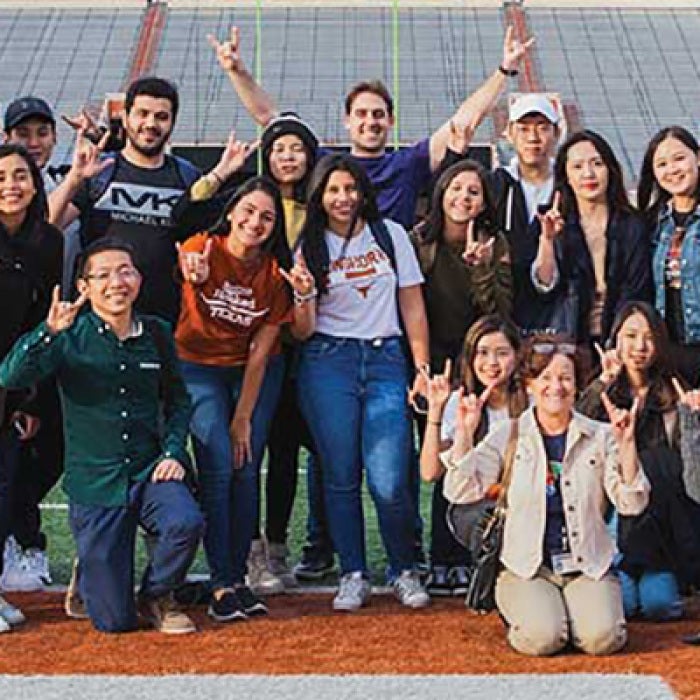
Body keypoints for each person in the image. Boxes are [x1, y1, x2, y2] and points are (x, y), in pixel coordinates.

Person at [0, 237, 204, 634]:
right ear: (84, 286)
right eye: (104, 275)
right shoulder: (67, 335)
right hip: (96, 482)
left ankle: (156, 595)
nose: (117, 283)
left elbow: (179, 401)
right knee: (114, 622)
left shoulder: (157, 332)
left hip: (148, 469)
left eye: (125, 271)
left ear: (139, 279)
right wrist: (48, 331)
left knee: (185, 522)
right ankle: (91, 572)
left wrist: (173, 452)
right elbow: (10, 376)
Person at [443, 335, 649, 656]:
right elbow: (459, 490)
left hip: (587, 566)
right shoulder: (508, 434)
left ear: (578, 386)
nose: (556, 386)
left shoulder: (601, 435)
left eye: (566, 378)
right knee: (543, 639)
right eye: (545, 378)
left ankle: (569, 615)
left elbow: (632, 503)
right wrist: (465, 434)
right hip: (527, 567)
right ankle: (535, 611)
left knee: (603, 640)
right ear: (529, 385)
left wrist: (627, 447)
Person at [209, 25, 534, 229]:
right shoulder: (326, 163)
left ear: (391, 121)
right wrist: (236, 71)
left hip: (390, 280)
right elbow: (271, 119)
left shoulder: (408, 163)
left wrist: (505, 70)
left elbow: (464, 121)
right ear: (347, 122)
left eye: (378, 114)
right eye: (361, 114)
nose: (370, 122)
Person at [294, 153, 430, 611]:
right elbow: (302, 330)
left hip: (385, 357)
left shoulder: (389, 235)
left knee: (390, 478)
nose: (343, 198)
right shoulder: (308, 243)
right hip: (327, 360)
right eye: (333, 190)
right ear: (319, 195)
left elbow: (412, 305)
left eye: (350, 188)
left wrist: (422, 367)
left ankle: (403, 567)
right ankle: (353, 572)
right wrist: (303, 294)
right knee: (340, 475)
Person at [175, 176, 313, 622]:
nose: (256, 222)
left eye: (267, 217)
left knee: (245, 463)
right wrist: (192, 274)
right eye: (249, 211)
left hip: (252, 371)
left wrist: (244, 417)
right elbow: (188, 268)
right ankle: (221, 582)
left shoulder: (274, 273)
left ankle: (238, 578)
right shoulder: (203, 248)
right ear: (232, 211)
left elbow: (260, 351)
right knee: (217, 463)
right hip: (197, 366)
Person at [577, 302, 700, 620]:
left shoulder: (674, 391)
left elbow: (688, 471)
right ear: (615, 339)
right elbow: (576, 432)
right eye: (630, 336)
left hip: (660, 520)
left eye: (649, 337)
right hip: (612, 515)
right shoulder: (604, 390)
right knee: (627, 605)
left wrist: (691, 419)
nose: (640, 346)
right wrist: (603, 381)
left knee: (660, 606)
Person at [47, 76, 200, 324]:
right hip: (96, 320)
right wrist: (74, 179)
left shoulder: (188, 177)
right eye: (142, 114)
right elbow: (47, 225)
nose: (150, 124)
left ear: (172, 123)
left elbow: (198, 243)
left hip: (159, 321)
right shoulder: (100, 171)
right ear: (126, 117)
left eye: (161, 117)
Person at [0, 97, 75, 592]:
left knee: (15, 471)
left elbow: (36, 317)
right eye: (2, 177)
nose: (11, 185)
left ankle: (20, 543)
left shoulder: (47, 241)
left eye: (20, 177)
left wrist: (25, 395)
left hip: (16, 371)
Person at [420, 316, 527, 596]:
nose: (492, 363)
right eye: (483, 353)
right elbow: (430, 473)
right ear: (469, 358)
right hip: (475, 505)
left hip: (522, 504)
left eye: (502, 353)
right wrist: (436, 411)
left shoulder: (531, 399)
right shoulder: (459, 400)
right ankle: (451, 560)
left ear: (517, 356)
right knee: (453, 477)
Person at [531, 130, 652, 345]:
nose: (588, 174)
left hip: (621, 342)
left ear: (610, 170)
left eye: (597, 164)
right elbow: (543, 287)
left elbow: (638, 291)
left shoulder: (633, 225)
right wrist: (548, 240)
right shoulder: (548, 220)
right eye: (577, 167)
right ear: (566, 176)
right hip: (566, 342)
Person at [488, 93, 561, 332]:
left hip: (559, 314)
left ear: (557, 133)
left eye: (542, 128)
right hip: (507, 315)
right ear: (509, 133)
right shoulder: (497, 185)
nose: (533, 138)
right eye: (524, 129)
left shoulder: (568, 186)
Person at [637, 126, 700, 386]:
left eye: (679, 158)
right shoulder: (653, 223)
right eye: (662, 164)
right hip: (668, 350)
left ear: (697, 158)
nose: (672, 169)